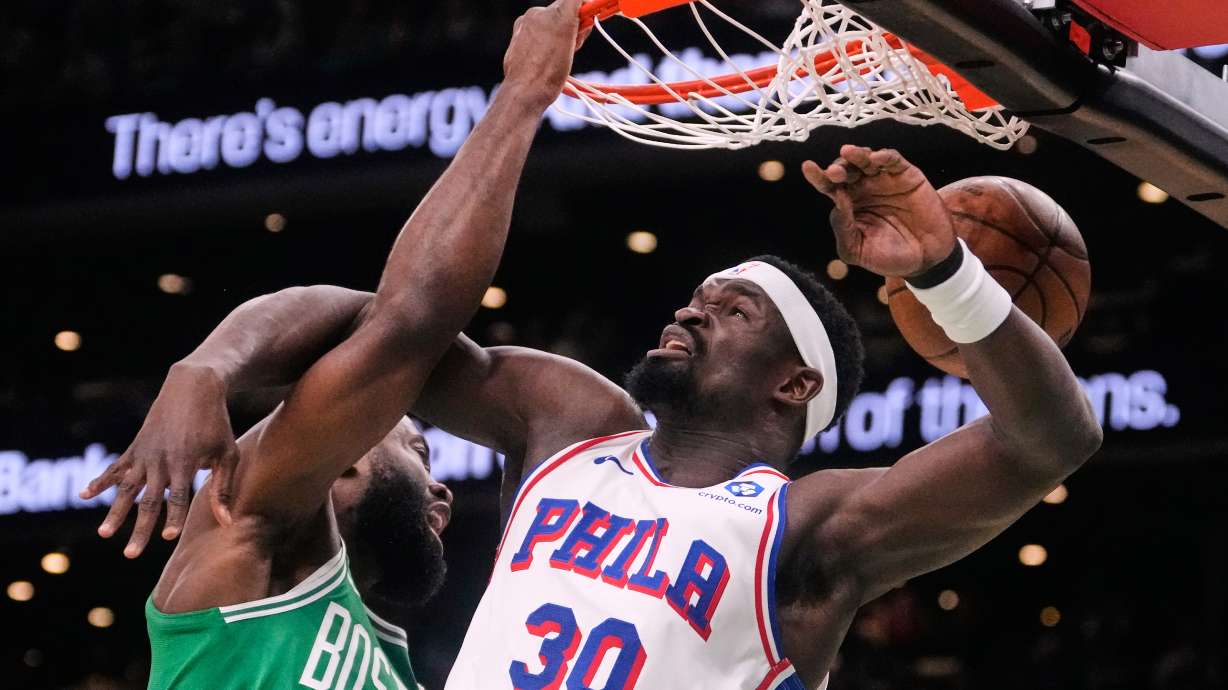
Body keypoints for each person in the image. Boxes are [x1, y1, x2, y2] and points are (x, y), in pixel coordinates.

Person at [90, 87, 1103, 690]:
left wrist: (941, 273)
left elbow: (1046, 441)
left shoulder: (804, 531)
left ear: (793, 385)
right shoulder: (572, 426)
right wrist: (209, 369)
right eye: (698, 294)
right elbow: (386, 320)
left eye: (733, 309)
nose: (693, 311)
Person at [79, 2, 585, 687]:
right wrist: (523, 94)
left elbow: (390, 323)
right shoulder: (243, 539)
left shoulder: (389, 665)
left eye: (416, 446)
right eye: (415, 445)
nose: (439, 484)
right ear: (340, 466)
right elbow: (405, 320)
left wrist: (209, 366)